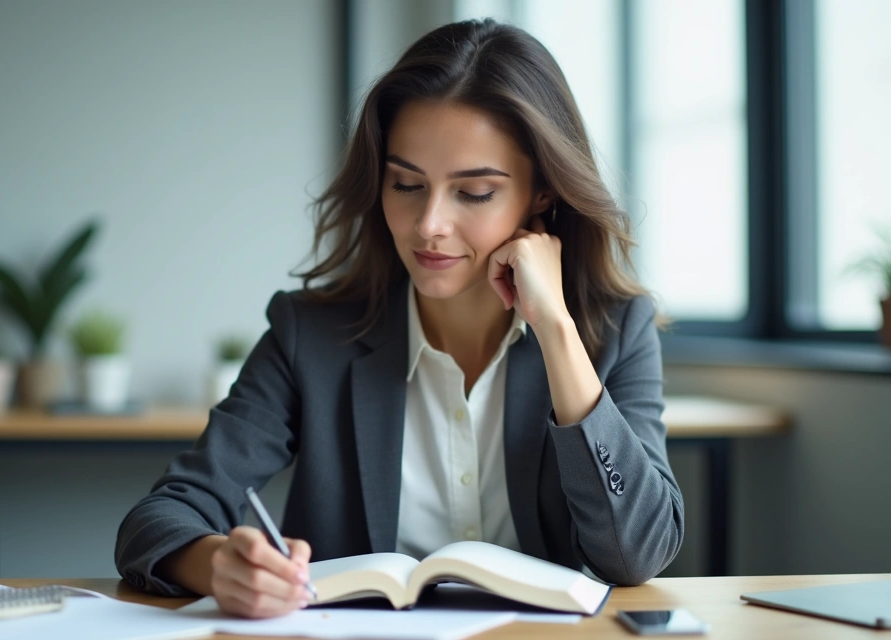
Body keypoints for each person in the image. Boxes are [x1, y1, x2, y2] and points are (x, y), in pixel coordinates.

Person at [115, 18, 684, 619]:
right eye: (407, 184)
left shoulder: (615, 330)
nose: (428, 223)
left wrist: (556, 330)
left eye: (474, 192)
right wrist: (219, 564)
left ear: (541, 193)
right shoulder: (311, 334)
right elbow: (158, 520)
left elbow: (637, 551)